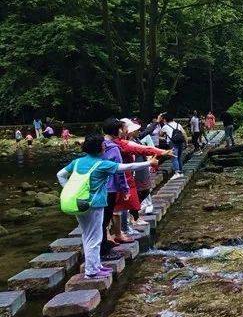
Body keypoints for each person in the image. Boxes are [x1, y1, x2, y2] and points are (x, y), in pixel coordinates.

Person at [57, 134, 156, 278]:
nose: (105, 146)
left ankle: (96, 266)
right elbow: (128, 166)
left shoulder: (77, 162)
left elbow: (60, 175)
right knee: (95, 238)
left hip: (79, 203)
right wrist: (149, 163)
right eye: (103, 144)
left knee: (87, 236)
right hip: (94, 205)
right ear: (98, 148)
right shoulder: (102, 164)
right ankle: (91, 271)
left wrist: (68, 190)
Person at [115, 118, 171, 229]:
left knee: (142, 192)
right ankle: (132, 219)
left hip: (139, 169)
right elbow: (143, 149)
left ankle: (134, 217)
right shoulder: (124, 144)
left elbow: (145, 147)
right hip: (133, 171)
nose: (137, 131)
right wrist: (159, 153)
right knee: (132, 196)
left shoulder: (134, 140)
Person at [101, 118, 129, 255]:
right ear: (114, 130)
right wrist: (125, 189)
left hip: (97, 187)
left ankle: (103, 244)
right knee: (105, 219)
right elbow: (119, 171)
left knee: (100, 220)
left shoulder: (98, 145)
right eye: (119, 128)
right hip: (110, 188)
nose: (121, 131)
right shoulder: (114, 148)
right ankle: (103, 251)